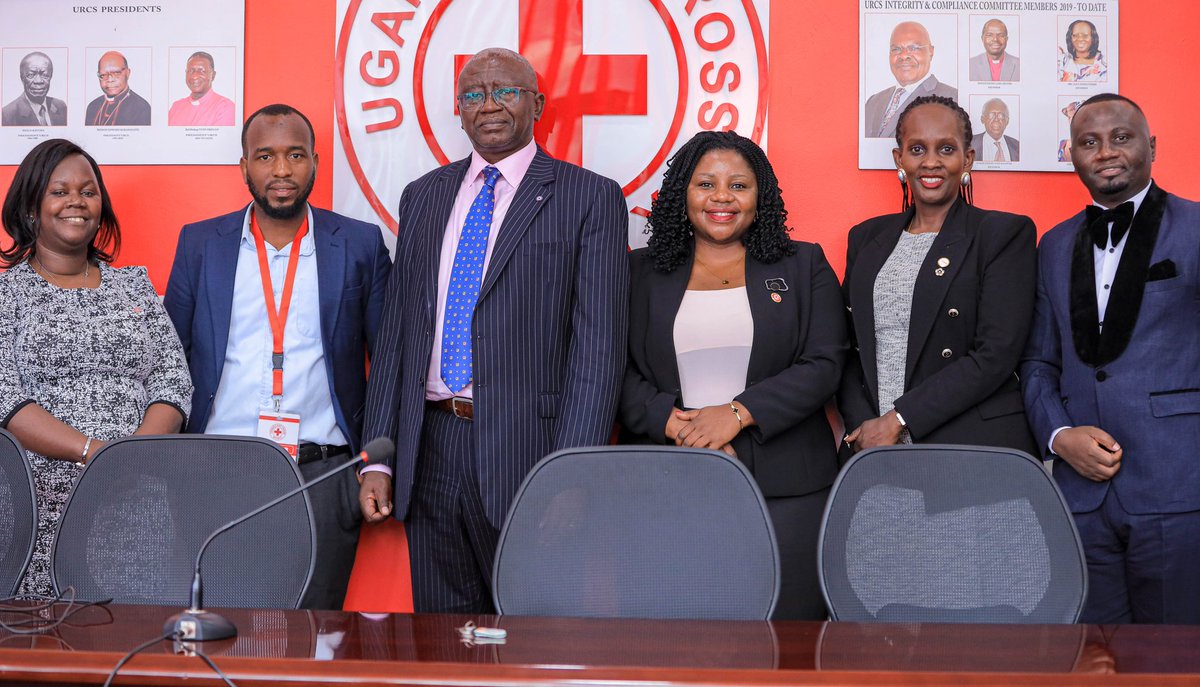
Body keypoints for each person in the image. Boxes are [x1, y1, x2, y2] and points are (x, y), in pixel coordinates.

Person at [357, 47, 628, 613]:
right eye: (473, 95)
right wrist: (380, 458)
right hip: (429, 449)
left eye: (504, 91)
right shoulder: (425, 196)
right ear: (458, 111)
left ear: (537, 102)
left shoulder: (589, 196)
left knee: (534, 631)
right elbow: (397, 340)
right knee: (442, 638)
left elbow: (598, 350)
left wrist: (569, 473)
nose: (489, 106)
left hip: (530, 452)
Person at [163, 104, 391, 609]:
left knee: (311, 638)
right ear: (243, 165)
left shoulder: (358, 243)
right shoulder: (200, 244)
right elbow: (167, 357)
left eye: (295, 155)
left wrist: (378, 463)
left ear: (315, 161)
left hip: (321, 476)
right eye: (265, 156)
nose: (281, 171)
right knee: (218, 628)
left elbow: (391, 365)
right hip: (215, 470)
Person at [619, 131, 846, 620]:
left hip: (787, 489)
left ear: (759, 196)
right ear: (682, 194)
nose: (722, 197)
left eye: (738, 185)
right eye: (706, 184)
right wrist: (680, 426)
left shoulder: (804, 265)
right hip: (666, 481)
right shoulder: (638, 272)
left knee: (787, 639)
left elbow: (825, 363)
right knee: (672, 634)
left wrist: (737, 414)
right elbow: (613, 367)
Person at [1021, 94, 1200, 623]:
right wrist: (1058, 436)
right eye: (1088, 142)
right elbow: (1037, 364)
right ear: (1071, 154)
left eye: (1120, 137)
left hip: (1178, 485)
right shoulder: (1052, 245)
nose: (1105, 152)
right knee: (1094, 657)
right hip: (1080, 496)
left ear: (1152, 145)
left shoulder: (1195, 228)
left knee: (1176, 658)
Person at [0, 139, 191, 598]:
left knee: (135, 640)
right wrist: (94, 452)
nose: (76, 202)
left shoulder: (135, 286)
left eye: (88, 191)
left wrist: (128, 457)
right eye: (59, 191)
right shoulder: (8, 295)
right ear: (31, 207)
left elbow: (173, 379)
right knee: (43, 649)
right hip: (43, 503)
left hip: (136, 501)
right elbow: (6, 397)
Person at [840, 95, 1037, 457]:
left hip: (969, 449)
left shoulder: (1003, 234)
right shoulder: (866, 238)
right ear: (899, 159)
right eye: (917, 149)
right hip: (874, 453)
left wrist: (898, 420)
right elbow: (847, 349)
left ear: (968, 159)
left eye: (946, 148)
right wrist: (864, 430)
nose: (930, 162)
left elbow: (995, 355)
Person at [865, 21, 958, 139]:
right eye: (896, 49)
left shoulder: (952, 99)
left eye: (913, 48)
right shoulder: (873, 102)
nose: (904, 55)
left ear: (931, 51)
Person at [167, 51, 235, 126]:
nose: (195, 76)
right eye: (191, 71)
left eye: (201, 71)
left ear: (213, 75)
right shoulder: (176, 107)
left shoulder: (225, 107)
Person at [85, 51, 151, 126]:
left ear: (128, 73)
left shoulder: (142, 107)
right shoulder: (92, 106)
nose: (110, 80)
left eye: (116, 73)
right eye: (103, 75)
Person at [2, 52, 66, 127]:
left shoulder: (61, 106)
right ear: (22, 78)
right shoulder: (7, 115)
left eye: (45, 75)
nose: (38, 81)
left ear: (51, 76)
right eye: (31, 75)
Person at [971, 98, 1020, 162]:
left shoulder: (1017, 146)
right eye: (991, 115)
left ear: (1007, 121)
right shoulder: (970, 143)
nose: (996, 119)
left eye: (1001, 115)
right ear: (982, 119)